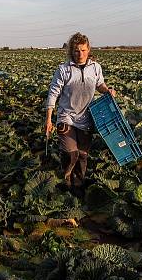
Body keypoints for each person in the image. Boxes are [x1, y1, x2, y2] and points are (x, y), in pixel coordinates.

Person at [44, 32, 116, 195]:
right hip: (66, 117)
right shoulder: (64, 70)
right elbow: (53, 93)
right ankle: (66, 181)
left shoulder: (95, 67)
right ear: (71, 51)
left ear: (88, 49)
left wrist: (107, 91)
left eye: (83, 50)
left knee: (83, 155)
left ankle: (78, 185)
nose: (80, 54)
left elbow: (100, 84)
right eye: (76, 50)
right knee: (71, 153)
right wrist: (49, 119)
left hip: (86, 118)